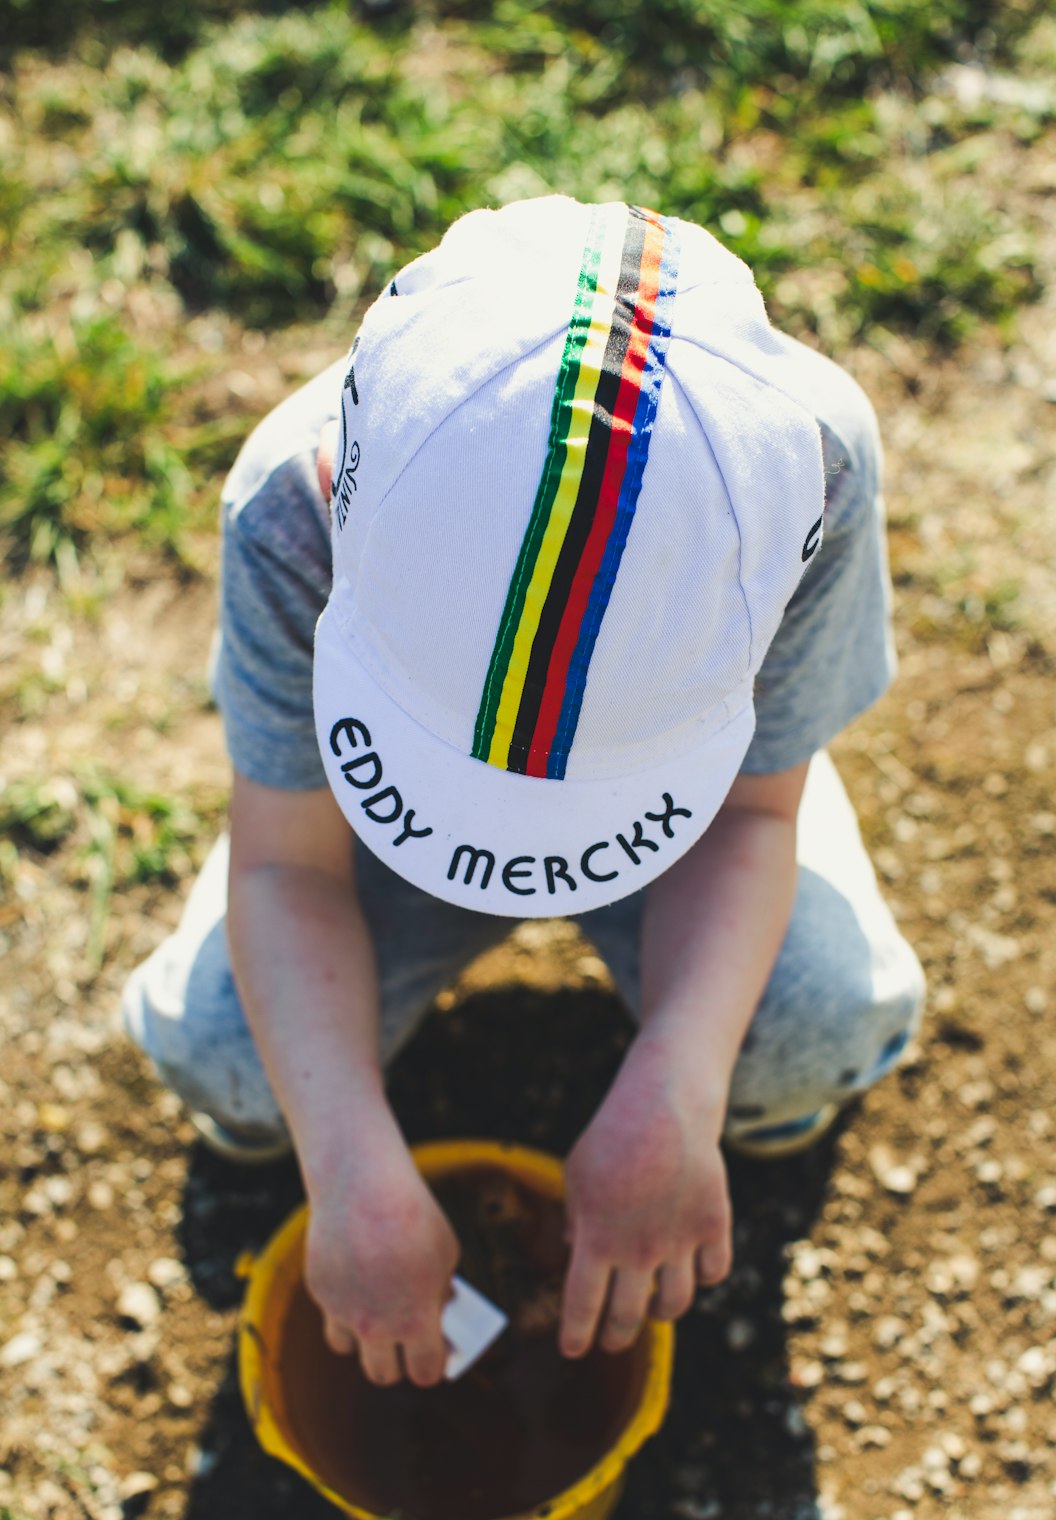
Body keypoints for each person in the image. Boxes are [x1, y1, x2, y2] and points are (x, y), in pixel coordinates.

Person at [121, 196, 924, 1391]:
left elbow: (754, 810)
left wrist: (680, 1085)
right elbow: (289, 860)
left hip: (688, 835)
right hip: (369, 847)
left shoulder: (807, 473)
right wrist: (344, 1166)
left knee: (804, 1030)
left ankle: (727, 1074)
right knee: (234, 1062)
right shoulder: (292, 499)